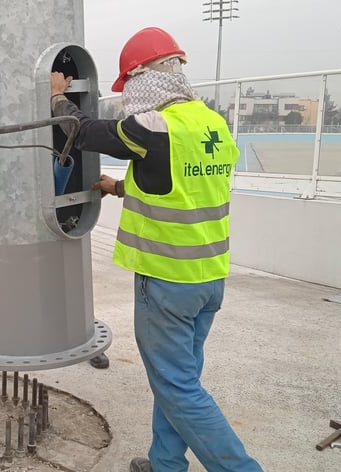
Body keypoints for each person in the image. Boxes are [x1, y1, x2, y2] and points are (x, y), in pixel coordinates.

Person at [51, 27, 262, 472]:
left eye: (129, 85)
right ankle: (166, 464)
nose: (128, 95)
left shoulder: (152, 125)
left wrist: (56, 98)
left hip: (167, 281)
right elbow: (179, 183)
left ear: (145, 77)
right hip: (209, 279)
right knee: (178, 382)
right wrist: (120, 186)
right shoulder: (212, 123)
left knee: (178, 387)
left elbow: (84, 131)